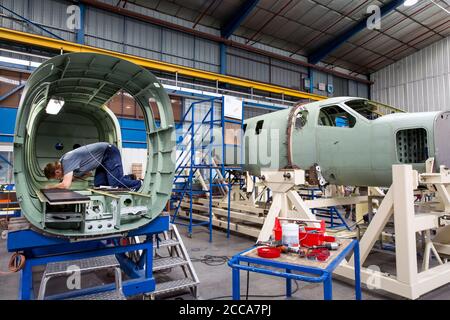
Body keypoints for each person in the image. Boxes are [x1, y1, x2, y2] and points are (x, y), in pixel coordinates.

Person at [43, 142, 141, 191]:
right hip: (101, 162)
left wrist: (49, 187)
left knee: (115, 183)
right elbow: (87, 174)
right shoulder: (67, 166)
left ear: (57, 172)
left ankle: (138, 183)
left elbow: (65, 185)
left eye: (57, 178)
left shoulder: (67, 160)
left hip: (108, 153)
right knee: (99, 184)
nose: (59, 179)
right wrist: (75, 178)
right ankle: (129, 178)